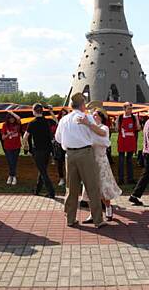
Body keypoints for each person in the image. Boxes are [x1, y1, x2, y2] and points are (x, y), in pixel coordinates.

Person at [54, 93, 107, 229]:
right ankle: (97, 220)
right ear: (83, 105)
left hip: (69, 155)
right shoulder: (87, 117)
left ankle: (70, 218)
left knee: (71, 188)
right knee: (92, 187)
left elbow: (58, 138)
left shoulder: (64, 120)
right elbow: (98, 133)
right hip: (85, 153)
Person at [82, 108, 122, 221]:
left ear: (100, 117)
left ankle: (108, 208)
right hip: (90, 161)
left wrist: (89, 127)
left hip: (101, 161)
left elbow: (102, 137)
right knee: (90, 188)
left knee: (103, 187)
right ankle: (92, 214)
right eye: (92, 115)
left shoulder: (104, 128)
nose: (93, 117)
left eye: (95, 115)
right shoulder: (89, 128)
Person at [24, 103, 55, 199]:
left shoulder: (32, 123)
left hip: (37, 150)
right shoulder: (47, 121)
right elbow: (57, 121)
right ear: (42, 111)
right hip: (48, 149)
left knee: (43, 172)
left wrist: (26, 146)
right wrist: (51, 112)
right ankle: (37, 190)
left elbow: (25, 137)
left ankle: (51, 192)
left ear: (33, 111)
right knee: (42, 170)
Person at [116, 102, 141, 185]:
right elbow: (116, 129)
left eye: (131, 108)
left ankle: (130, 178)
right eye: (128, 108)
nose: (130, 110)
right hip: (122, 141)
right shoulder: (120, 117)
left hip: (130, 141)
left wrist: (137, 121)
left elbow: (138, 128)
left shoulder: (134, 118)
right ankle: (121, 179)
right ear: (124, 109)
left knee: (129, 161)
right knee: (121, 161)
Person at [2, 111, 23, 185]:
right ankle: (12, 176)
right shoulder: (4, 125)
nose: (12, 119)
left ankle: (11, 176)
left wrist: (11, 112)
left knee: (14, 161)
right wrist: (8, 135)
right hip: (8, 147)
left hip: (17, 146)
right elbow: (3, 137)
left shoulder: (17, 125)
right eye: (10, 118)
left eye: (13, 118)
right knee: (10, 162)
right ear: (7, 119)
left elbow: (19, 118)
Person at [52, 108, 68, 187]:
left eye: (65, 114)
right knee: (59, 163)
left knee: (69, 163)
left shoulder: (69, 123)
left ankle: (71, 179)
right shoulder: (58, 122)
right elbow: (53, 117)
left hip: (68, 146)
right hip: (59, 146)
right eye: (62, 114)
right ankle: (61, 179)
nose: (64, 115)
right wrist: (50, 111)